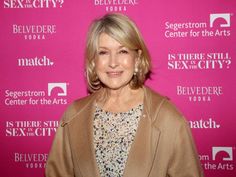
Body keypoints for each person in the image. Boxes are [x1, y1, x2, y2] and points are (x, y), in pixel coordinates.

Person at [45, 13, 204, 177]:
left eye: (122, 51)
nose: (113, 63)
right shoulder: (73, 116)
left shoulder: (168, 119)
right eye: (103, 52)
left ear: (137, 58)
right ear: (94, 60)